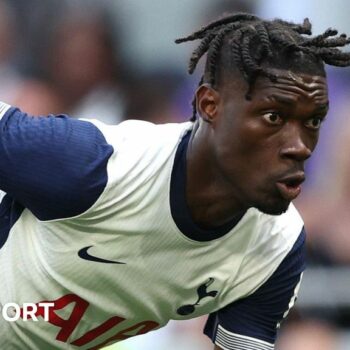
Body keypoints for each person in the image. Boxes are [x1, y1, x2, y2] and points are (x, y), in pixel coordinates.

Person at [0, 12, 349, 350]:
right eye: (274, 116)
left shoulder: (277, 246)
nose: (301, 146)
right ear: (209, 105)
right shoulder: (96, 165)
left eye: (314, 121)